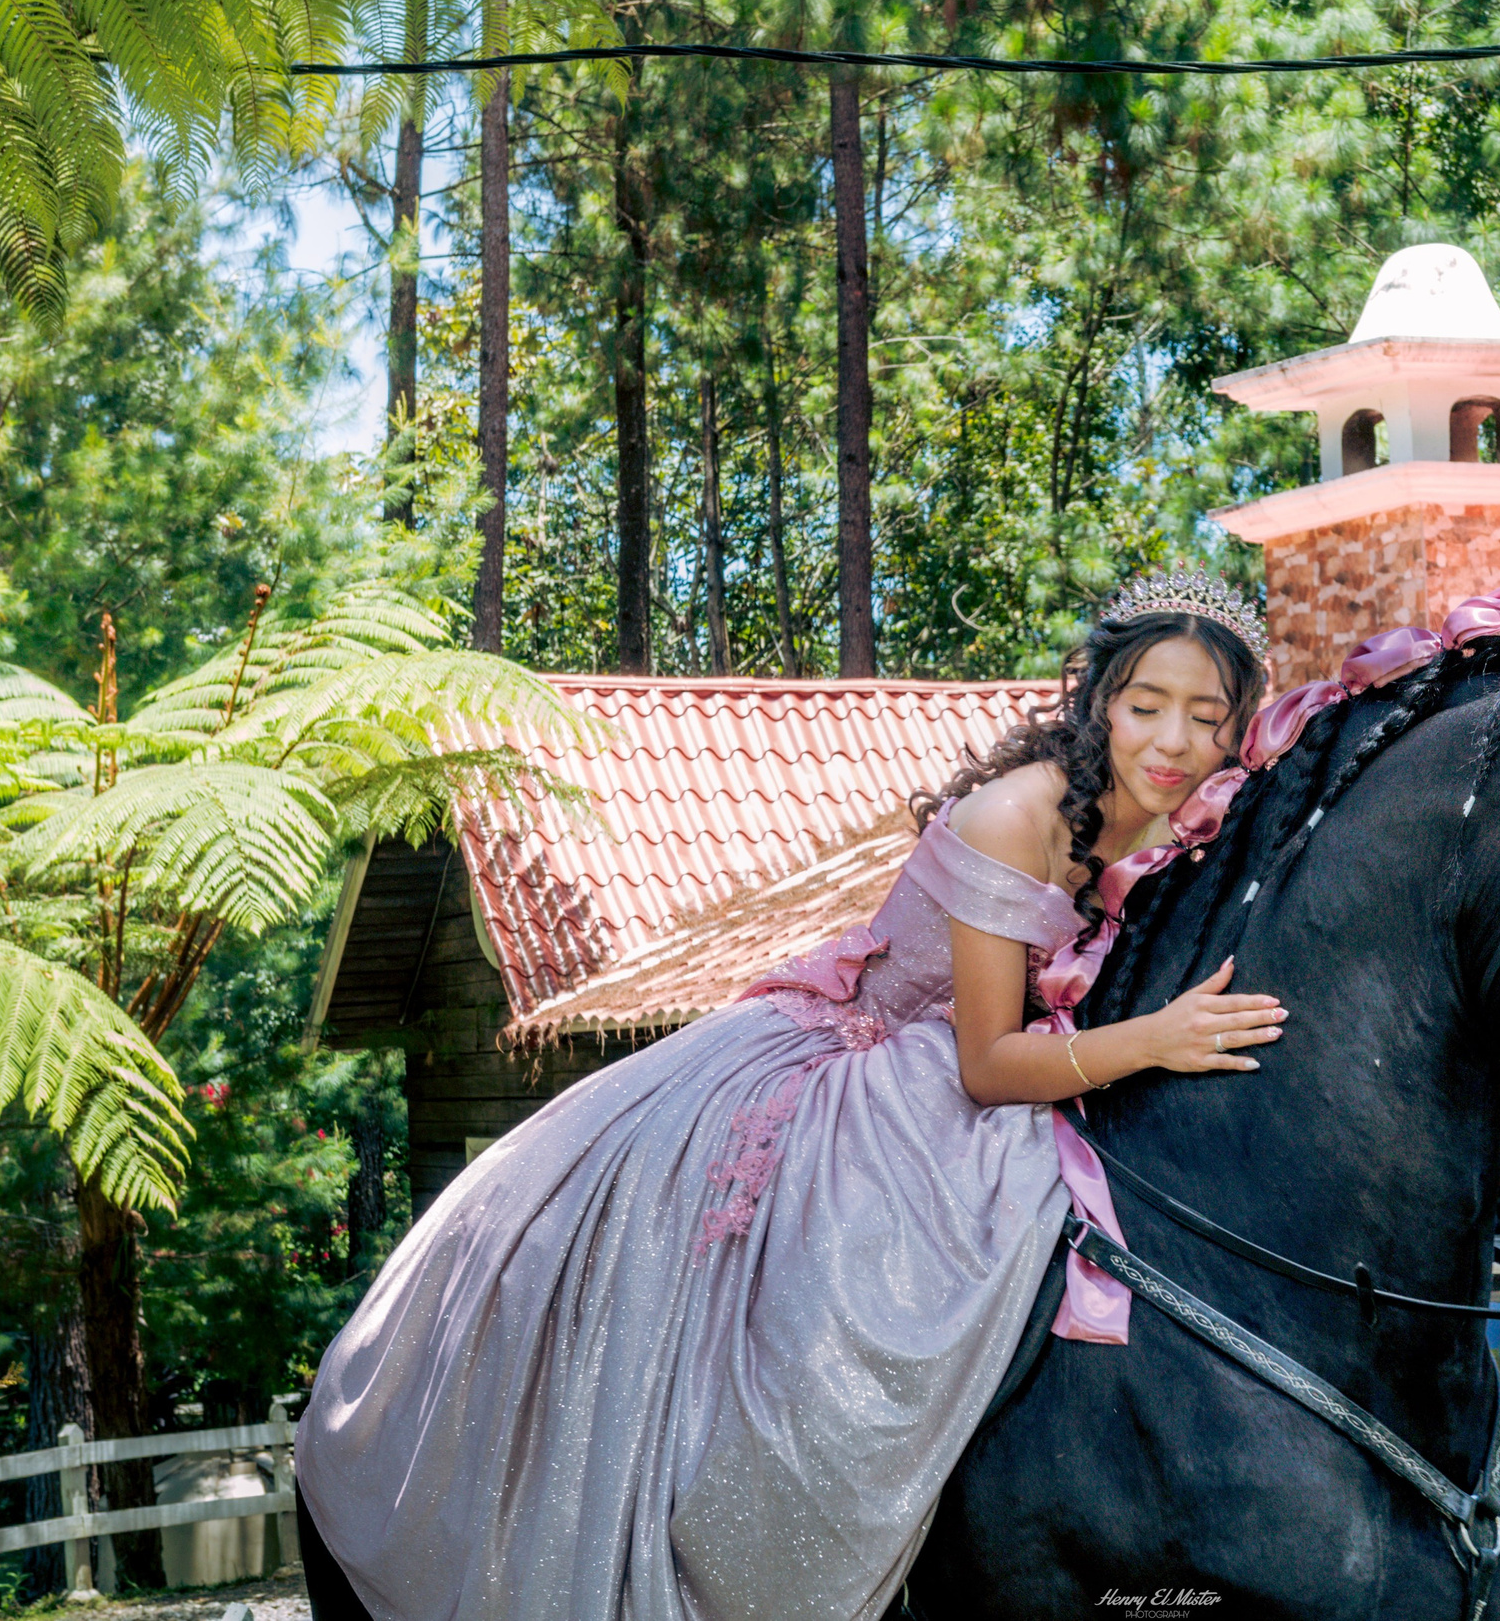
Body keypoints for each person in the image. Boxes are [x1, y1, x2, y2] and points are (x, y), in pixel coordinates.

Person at [294, 572, 1281, 1621]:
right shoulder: (1017, 814)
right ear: (1098, 704)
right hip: (895, 1067)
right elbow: (986, 1063)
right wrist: (1159, 1041)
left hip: (1019, 1064)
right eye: (1145, 707)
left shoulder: (1193, 821)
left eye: (1206, 716)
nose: (1172, 740)